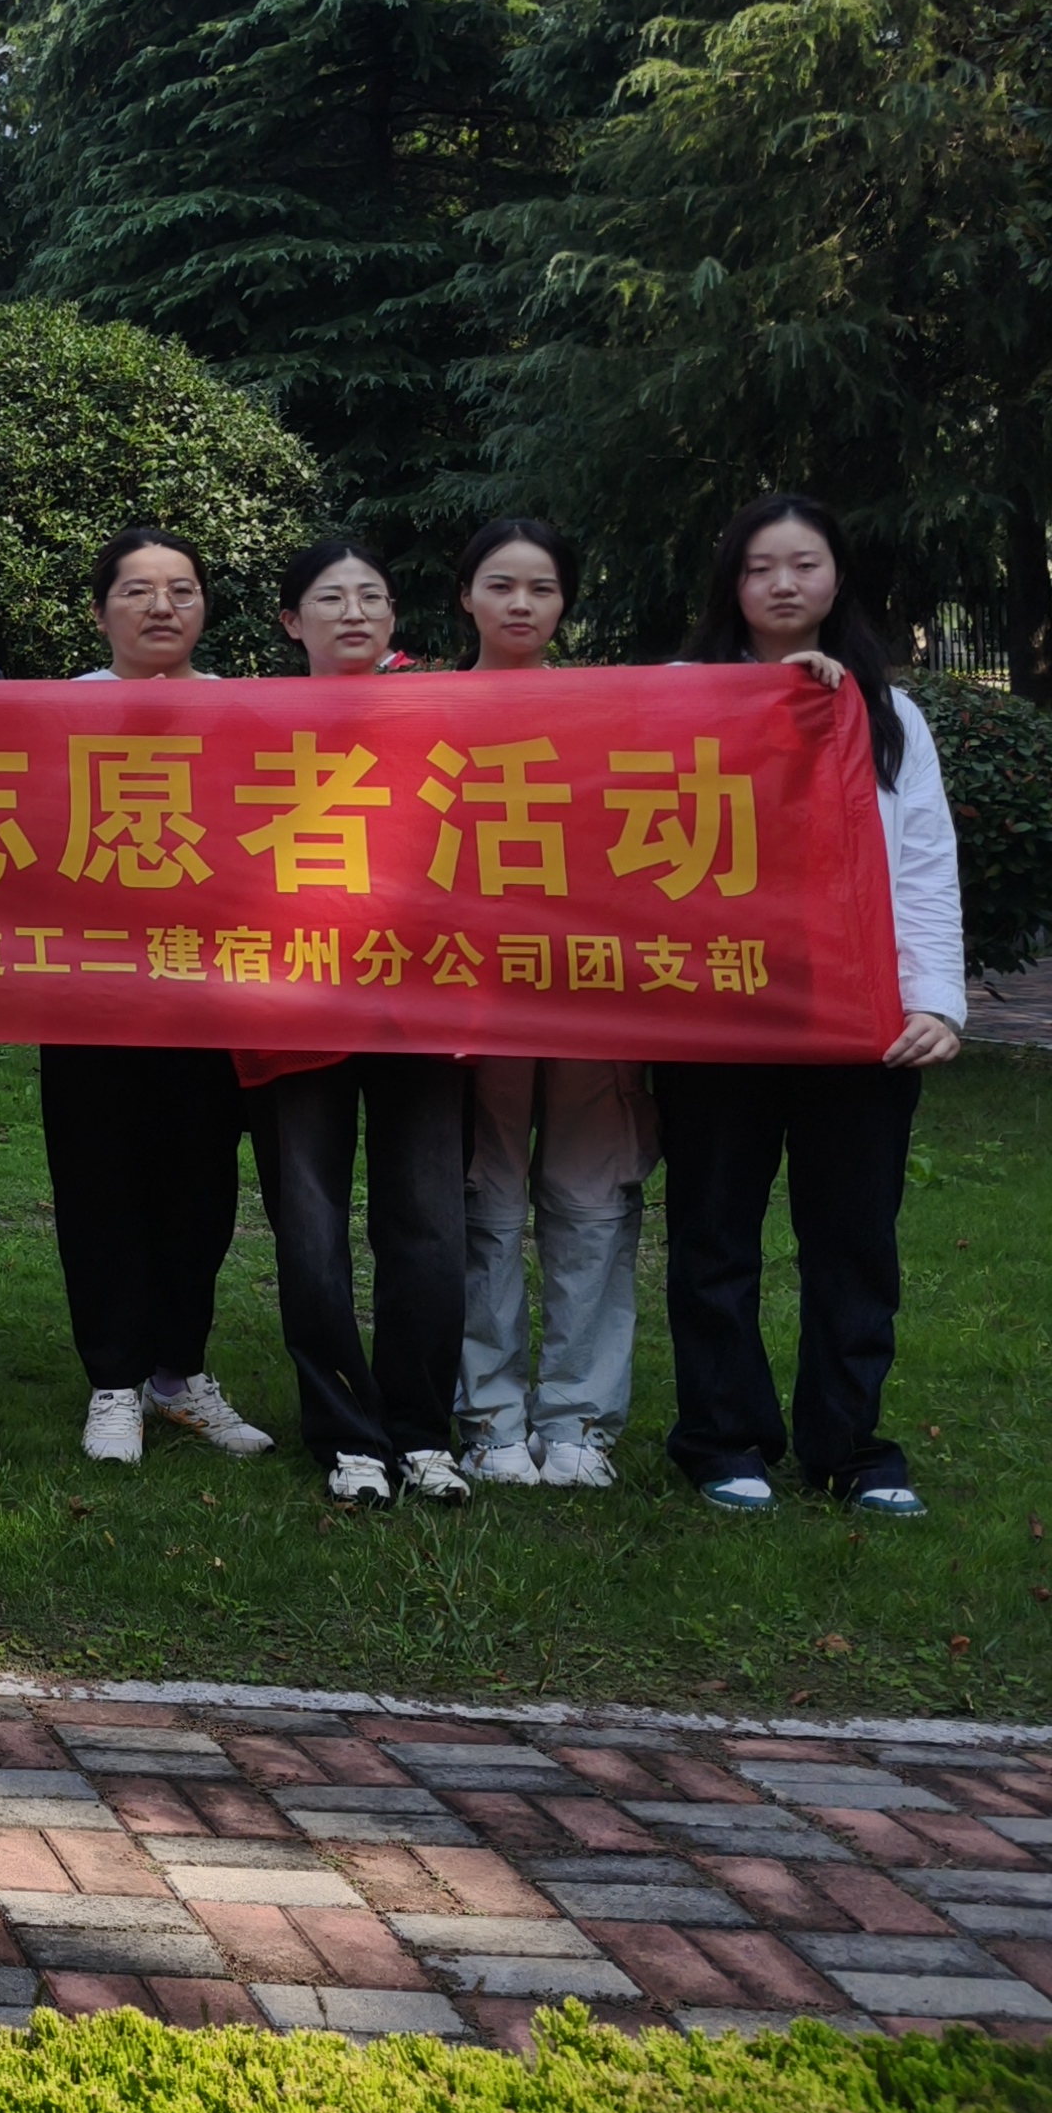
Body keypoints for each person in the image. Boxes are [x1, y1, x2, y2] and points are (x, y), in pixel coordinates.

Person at [657, 493, 962, 1518]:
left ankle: (849, 1445)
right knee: (712, 1237)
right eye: (759, 567)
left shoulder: (889, 714)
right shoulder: (678, 695)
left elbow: (923, 864)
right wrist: (761, 699)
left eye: (804, 564)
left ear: (837, 578)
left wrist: (936, 1004)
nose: (783, 584)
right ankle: (722, 1438)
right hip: (718, 1013)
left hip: (857, 1021)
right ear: (730, 583)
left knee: (853, 1242)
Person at [45, 527, 272, 1467]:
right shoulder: (52, 715)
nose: (162, 605)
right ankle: (112, 1383)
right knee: (96, 1183)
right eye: (137, 590)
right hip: (88, 992)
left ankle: (177, 1375)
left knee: (200, 1190)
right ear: (101, 612)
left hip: (209, 993)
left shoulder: (251, 715)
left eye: (182, 588)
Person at [257, 538, 471, 1508]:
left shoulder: (454, 709)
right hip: (292, 1002)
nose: (353, 613)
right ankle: (346, 1432)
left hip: (422, 1000)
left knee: (425, 1221)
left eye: (371, 597)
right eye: (329, 598)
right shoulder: (247, 723)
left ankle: (422, 1432)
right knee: (309, 1226)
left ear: (393, 617)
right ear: (289, 621)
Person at [446, 517, 650, 1489]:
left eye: (542, 587)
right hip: (469, 1000)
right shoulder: (422, 712)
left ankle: (578, 1422)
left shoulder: (613, 711)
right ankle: (488, 1417)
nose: (521, 604)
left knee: (590, 1201)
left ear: (566, 602)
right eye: (500, 584)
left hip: (590, 997)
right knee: (480, 1201)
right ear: (466, 598)